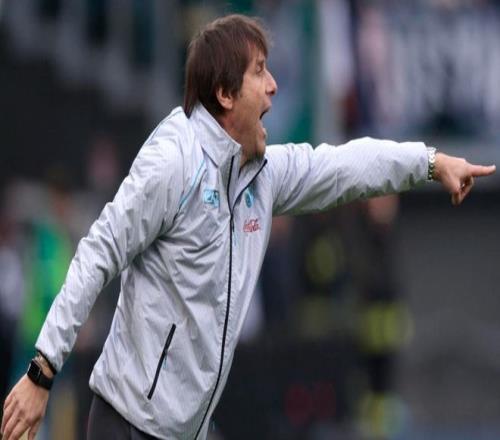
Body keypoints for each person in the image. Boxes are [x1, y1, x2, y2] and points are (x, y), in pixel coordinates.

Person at [1, 14, 496, 440]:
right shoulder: (172, 161)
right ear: (224, 93)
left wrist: (430, 162)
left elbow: (345, 166)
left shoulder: (262, 174)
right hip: (127, 426)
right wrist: (42, 371)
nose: (274, 85)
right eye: (259, 71)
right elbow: (98, 251)